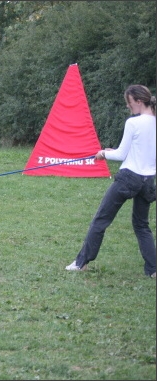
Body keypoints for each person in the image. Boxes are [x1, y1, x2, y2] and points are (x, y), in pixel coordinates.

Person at [66, 84, 156, 277]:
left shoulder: (134, 122)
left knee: (101, 220)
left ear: (139, 102)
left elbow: (122, 155)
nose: (128, 107)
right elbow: (140, 152)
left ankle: (81, 263)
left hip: (128, 179)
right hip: (148, 181)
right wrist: (111, 152)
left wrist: (102, 154)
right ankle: (154, 270)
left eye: (129, 103)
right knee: (142, 225)